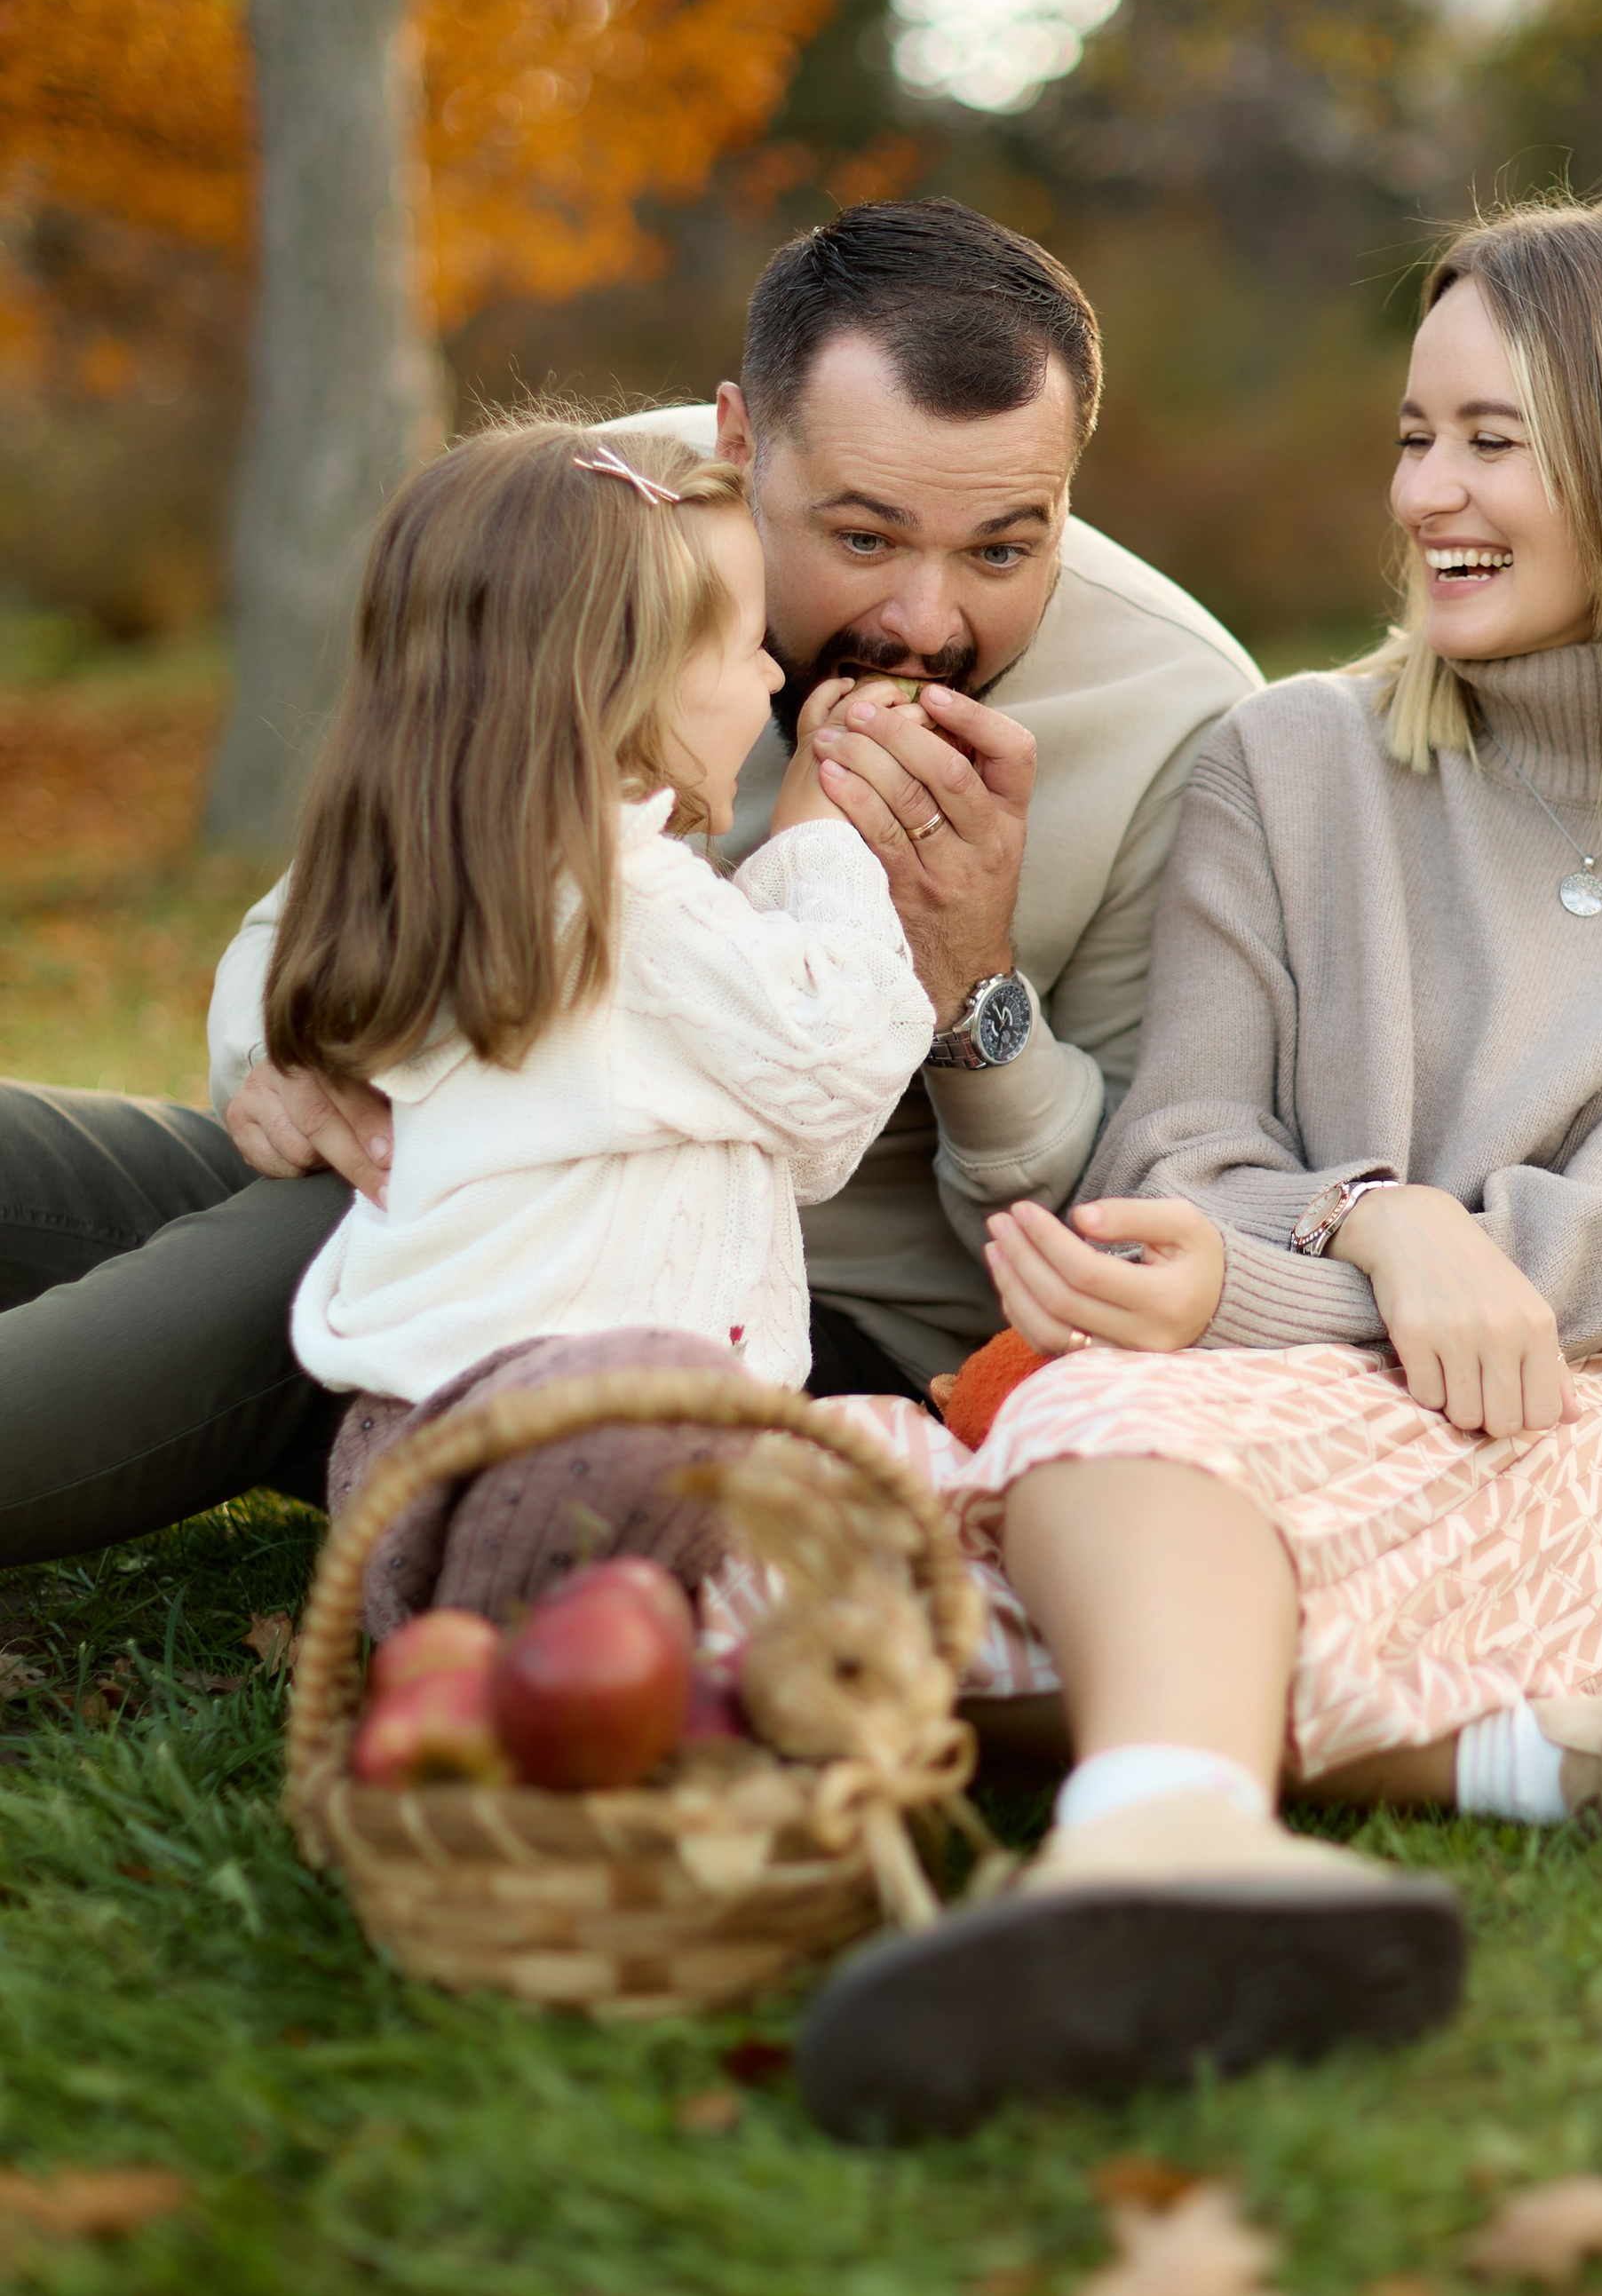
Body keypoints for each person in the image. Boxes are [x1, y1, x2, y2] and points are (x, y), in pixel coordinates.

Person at [792, 198, 1602, 2140]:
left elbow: (1565, 1291)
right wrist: (1374, 1225)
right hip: (1248, 1399)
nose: (1426, 495)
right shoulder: (1286, 761)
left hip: (1562, 1451)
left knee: (1103, 1444)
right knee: (805, 1547)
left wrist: (1259, 1286)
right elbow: (1185, 1149)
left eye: (1490, 439)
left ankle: (1151, 1836)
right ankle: (1559, 1762)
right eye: (1414, 437)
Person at [0, 202, 1257, 1567]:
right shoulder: (615, 517)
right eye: (863, 538)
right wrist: (289, 1056)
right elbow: (320, 913)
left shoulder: (1182, 717)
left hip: (767, 1349)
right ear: (736, 442)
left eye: (1004, 549)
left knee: (311, 1243)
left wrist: (973, 991)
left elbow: (1137, 1236)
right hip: (461, 1194)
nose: (925, 620)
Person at [266, 417, 933, 1432]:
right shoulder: (630, 902)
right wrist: (818, 846)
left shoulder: (463, 867)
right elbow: (835, 1076)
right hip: (593, 1442)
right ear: (625, 682)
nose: (770, 681)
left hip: (407, 1426)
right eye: (749, 648)